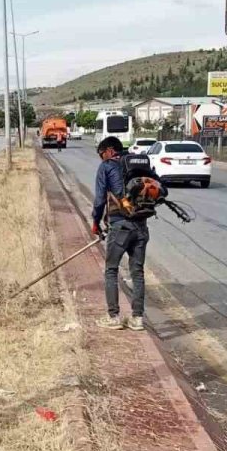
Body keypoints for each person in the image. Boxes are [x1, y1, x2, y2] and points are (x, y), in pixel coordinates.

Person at [91, 136, 154, 330]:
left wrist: (95, 222)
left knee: (111, 270)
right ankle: (137, 319)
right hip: (141, 225)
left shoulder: (107, 167)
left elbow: (100, 199)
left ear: (109, 151)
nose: (102, 159)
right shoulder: (138, 165)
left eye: (102, 154)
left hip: (120, 226)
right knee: (138, 272)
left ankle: (113, 317)